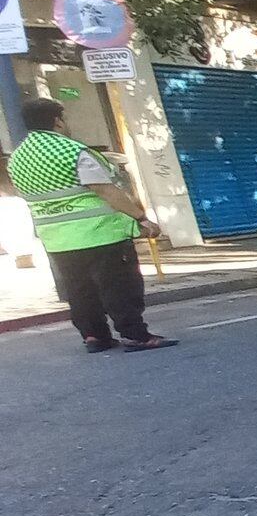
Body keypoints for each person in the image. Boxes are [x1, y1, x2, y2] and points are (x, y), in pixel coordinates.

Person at [3, 98, 174, 352]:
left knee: (79, 291)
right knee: (119, 287)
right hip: (101, 234)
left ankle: (94, 336)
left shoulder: (17, 159)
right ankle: (135, 335)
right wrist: (141, 218)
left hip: (58, 240)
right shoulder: (73, 151)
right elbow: (105, 190)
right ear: (57, 121)